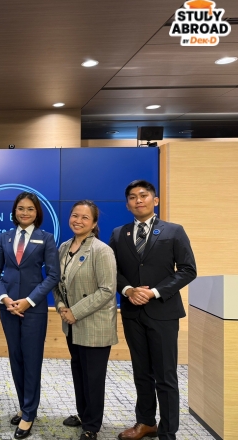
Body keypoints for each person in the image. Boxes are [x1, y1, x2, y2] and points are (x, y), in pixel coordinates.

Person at [109, 180, 197, 440]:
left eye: (144, 195)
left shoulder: (174, 231)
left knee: (165, 375)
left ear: (155, 200)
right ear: (127, 205)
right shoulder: (118, 234)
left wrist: (154, 292)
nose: (138, 200)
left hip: (163, 312)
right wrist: (128, 290)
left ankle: (168, 432)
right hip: (132, 313)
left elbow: (188, 270)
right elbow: (112, 271)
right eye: (132, 197)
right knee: (141, 372)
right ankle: (146, 422)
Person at [0, 192, 60, 440]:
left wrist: (29, 301)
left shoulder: (46, 238)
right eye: (21, 208)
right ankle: (24, 405)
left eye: (30, 209)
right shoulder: (4, 237)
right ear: (14, 211)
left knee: (32, 361)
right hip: (8, 308)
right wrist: (4, 298)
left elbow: (53, 276)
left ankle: (29, 413)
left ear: (37, 212)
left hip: (33, 309)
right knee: (16, 358)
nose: (25, 213)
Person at [53, 200, 117, 440]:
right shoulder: (63, 247)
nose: (78, 221)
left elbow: (107, 290)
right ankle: (83, 413)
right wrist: (61, 306)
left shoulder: (101, 250)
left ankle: (92, 425)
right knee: (79, 372)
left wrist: (75, 311)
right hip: (72, 325)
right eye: (74, 215)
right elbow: (56, 283)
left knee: (93, 377)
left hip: (94, 324)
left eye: (84, 217)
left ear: (94, 223)